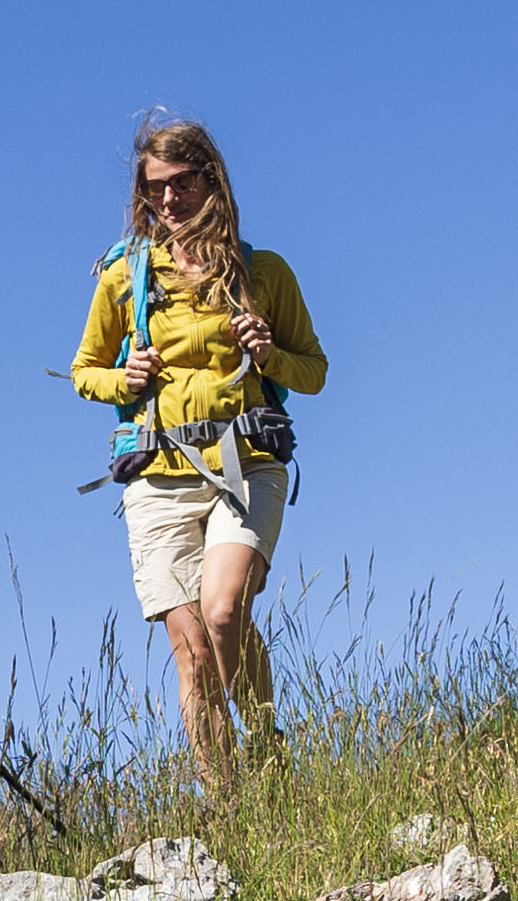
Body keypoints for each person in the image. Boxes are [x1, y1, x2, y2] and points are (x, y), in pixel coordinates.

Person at [66, 113, 325, 797]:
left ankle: (269, 753)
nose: (169, 201)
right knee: (191, 654)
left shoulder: (262, 272)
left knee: (222, 611)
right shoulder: (125, 278)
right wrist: (122, 380)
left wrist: (269, 353)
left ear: (213, 180)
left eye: (182, 184)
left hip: (247, 462)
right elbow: (84, 371)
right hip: (156, 478)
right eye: (155, 190)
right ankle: (232, 806)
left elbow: (315, 370)